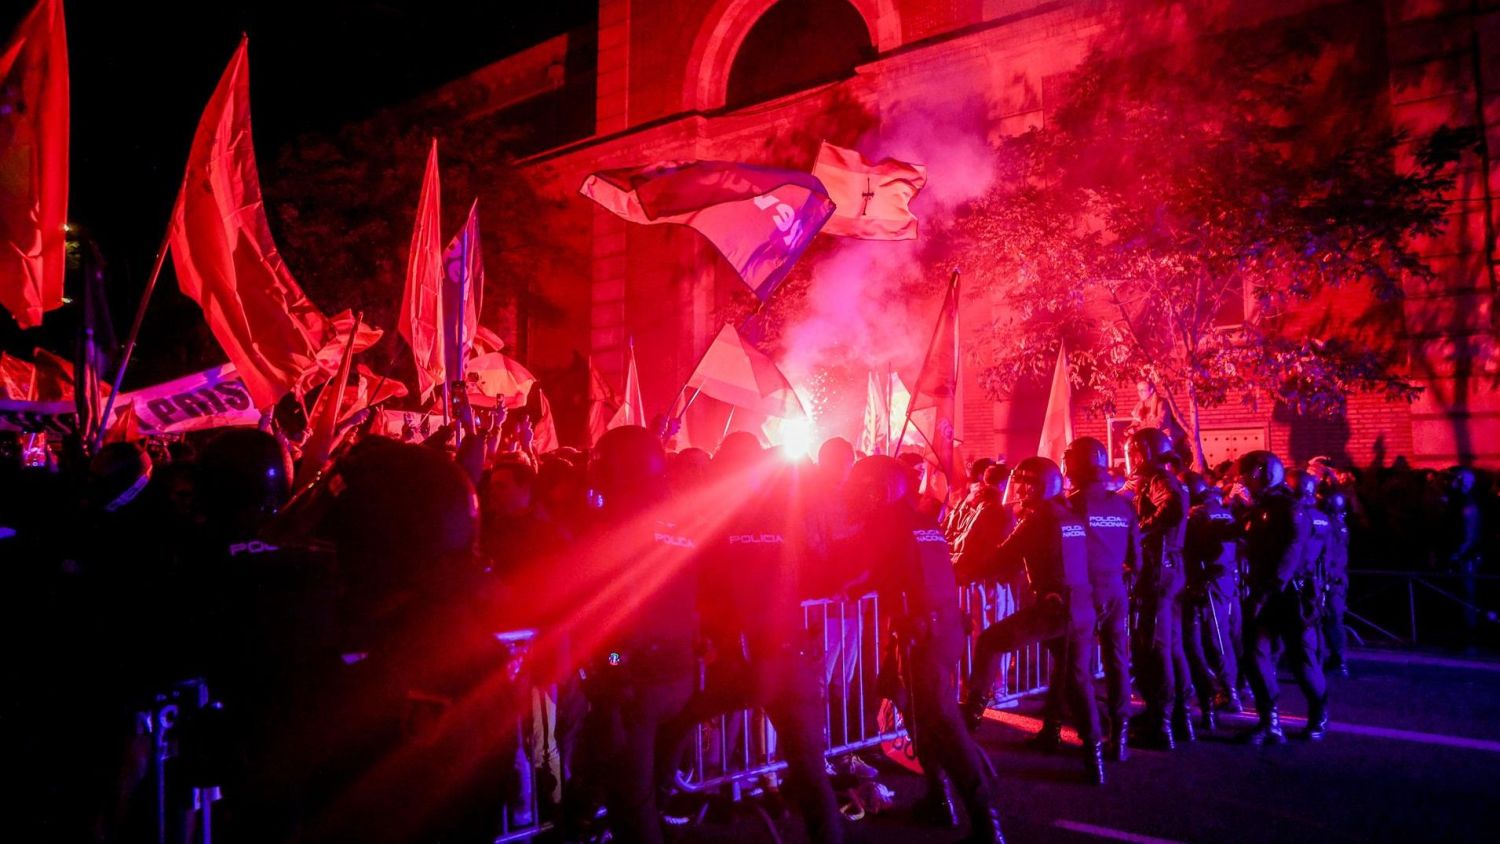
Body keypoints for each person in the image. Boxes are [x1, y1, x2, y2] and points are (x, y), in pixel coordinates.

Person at [657, 433, 846, 843]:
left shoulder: (719, 521)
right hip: (793, 658)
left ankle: (655, 810)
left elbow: (699, 587)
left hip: (749, 661)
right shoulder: (788, 516)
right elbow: (818, 573)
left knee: (673, 721)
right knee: (811, 772)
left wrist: (706, 633)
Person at [843, 455, 1006, 843]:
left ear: (881, 488)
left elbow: (862, 575)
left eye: (866, 487)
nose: (860, 495)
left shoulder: (884, 525)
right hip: (939, 631)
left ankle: (987, 822)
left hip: (924, 635)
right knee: (915, 712)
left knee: (944, 726)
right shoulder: (921, 522)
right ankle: (939, 797)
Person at [571, 426, 700, 844]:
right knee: (631, 788)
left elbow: (602, 611)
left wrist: (608, 669)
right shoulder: (681, 519)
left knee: (633, 808)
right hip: (676, 672)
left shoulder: (614, 524)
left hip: (631, 677)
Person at [958, 457, 1103, 786]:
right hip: (1080, 607)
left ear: (1047, 485)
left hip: (1055, 607)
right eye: (1019, 481)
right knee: (1075, 681)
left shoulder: (1039, 520)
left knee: (991, 640)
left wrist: (957, 573)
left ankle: (971, 718)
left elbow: (1001, 557)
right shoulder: (1070, 516)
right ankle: (1089, 757)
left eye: (1030, 483)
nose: (1022, 489)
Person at [1236, 450, 1329, 744]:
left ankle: (1318, 716)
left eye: (1247, 474)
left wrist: (1263, 595)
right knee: (1255, 654)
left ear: (1263, 472)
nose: (1243, 480)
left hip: (1291, 596)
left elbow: (1288, 558)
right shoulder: (1263, 506)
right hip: (1267, 591)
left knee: (1303, 661)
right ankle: (1270, 722)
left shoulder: (1288, 508)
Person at [1060, 437, 1138, 761]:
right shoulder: (1123, 505)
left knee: (1077, 667)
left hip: (1083, 593)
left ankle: (1090, 736)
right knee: (1117, 662)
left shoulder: (1071, 505)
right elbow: (1137, 556)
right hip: (1116, 591)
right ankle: (1120, 738)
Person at [1126, 428, 1193, 748]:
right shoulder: (1161, 478)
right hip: (1167, 571)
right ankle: (1177, 718)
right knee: (1170, 647)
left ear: (1142, 452)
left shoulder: (1159, 480)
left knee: (1156, 648)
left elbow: (1173, 508)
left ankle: (1162, 724)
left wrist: (1138, 532)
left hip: (1159, 572)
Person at [1181, 470, 1244, 729]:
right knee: (1225, 634)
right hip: (1227, 577)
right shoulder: (1222, 509)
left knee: (1214, 636)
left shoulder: (1196, 516)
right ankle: (1232, 687)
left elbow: (1189, 550)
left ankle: (1228, 692)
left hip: (1208, 581)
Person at [1319, 487, 1352, 676]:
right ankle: (1338, 659)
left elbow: (1327, 554)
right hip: (1339, 577)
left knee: (1330, 620)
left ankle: (1337, 659)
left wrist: (1325, 577)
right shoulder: (1341, 524)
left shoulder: (1330, 525)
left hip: (1331, 579)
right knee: (1334, 619)